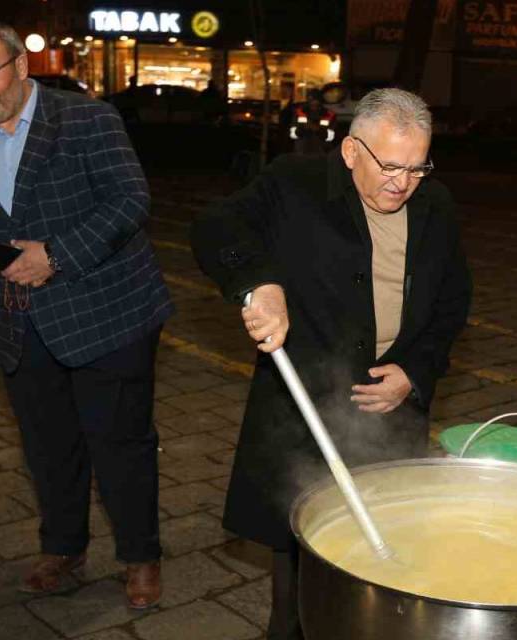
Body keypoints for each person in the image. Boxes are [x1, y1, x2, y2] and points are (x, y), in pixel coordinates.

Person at [190, 87, 471, 639]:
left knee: (384, 552)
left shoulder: (435, 206)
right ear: (350, 151)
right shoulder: (292, 185)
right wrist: (257, 285)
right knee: (300, 561)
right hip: (306, 410)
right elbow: (214, 227)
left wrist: (416, 371)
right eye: (390, 165)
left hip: (391, 409)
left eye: (418, 167)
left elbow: (452, 301)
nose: (403, 181)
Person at [0, 17, 173, 609]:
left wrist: (56, 257)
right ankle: (62, 548)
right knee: (47, 445)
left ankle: (140, 557)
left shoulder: (87, 118)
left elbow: (130, 199)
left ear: (20, 64)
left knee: (120, 443)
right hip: (16, 322)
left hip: (108, 312)